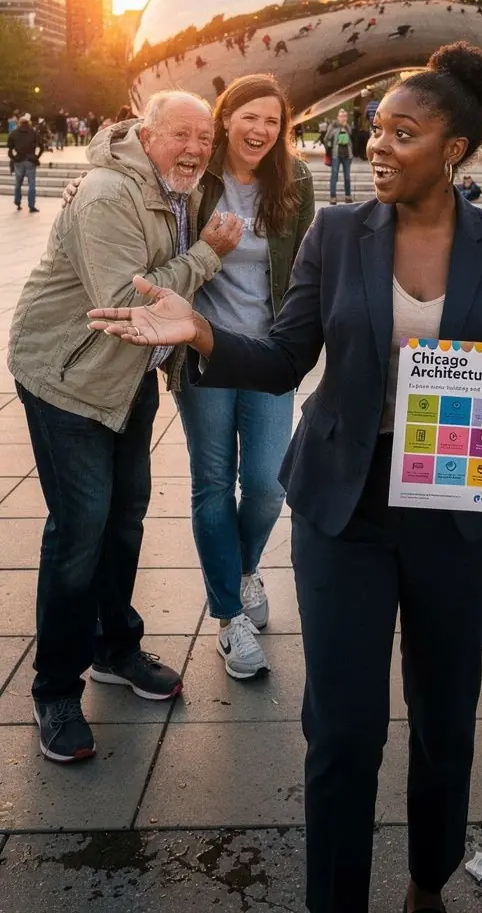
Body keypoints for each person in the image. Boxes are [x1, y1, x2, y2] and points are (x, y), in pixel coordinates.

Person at [89, 42, 482, 913]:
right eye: (375, 130)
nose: (377, 146)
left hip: (456, 507)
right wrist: (201, 336)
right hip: (345, 505)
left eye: (402, 134)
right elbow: (288, 355)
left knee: (446, 718)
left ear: (453, 150)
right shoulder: (339, 233)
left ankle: (426, 881)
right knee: (342, 729)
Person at [7, 92, 244, 763]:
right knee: (80, 531)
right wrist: (206, 254)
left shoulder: (179, 187)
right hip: (69, 379)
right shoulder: (110, 194)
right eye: (180, 135)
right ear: (146, 134)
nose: (194, 147)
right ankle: (54, 688)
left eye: (204, 135)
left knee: (125, 520)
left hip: (128, 379)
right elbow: (125, 303)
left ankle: (116, 649)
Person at [174, 75, 314, 679]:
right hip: (203, 350)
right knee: (213, 483)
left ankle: (244, 567)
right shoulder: (196, 177)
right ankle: (231, 618)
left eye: (272, 122)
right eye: (248, 118)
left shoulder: (296, 182)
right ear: (225, 117)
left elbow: (306, 265)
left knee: (266, 485)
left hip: (266, 354)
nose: (260, 131)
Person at [8, 113, 44, 213]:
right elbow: (42, 147)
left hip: (18, 160)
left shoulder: (14, 133)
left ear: (19, 123)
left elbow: (10, 151)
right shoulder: (33, 132)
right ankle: (31, 205)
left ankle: (17, 202)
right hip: (30, 160)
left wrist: (14, 158)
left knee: (18, 183)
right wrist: (36, 157)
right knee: (32, 184)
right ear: (29, 123)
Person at [324, 106, 353, 205]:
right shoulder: (333, 126)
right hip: (336, 155)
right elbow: (326, 138)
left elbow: (352, 137)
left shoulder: (348, 126)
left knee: (347, 177)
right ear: (338, 117)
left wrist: (345, 127)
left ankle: (348, 196)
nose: (343, 118)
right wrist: (329, 147)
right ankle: (333, 197)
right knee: (334, 176)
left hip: (347, 155)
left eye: (344, 116)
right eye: (341, 116)